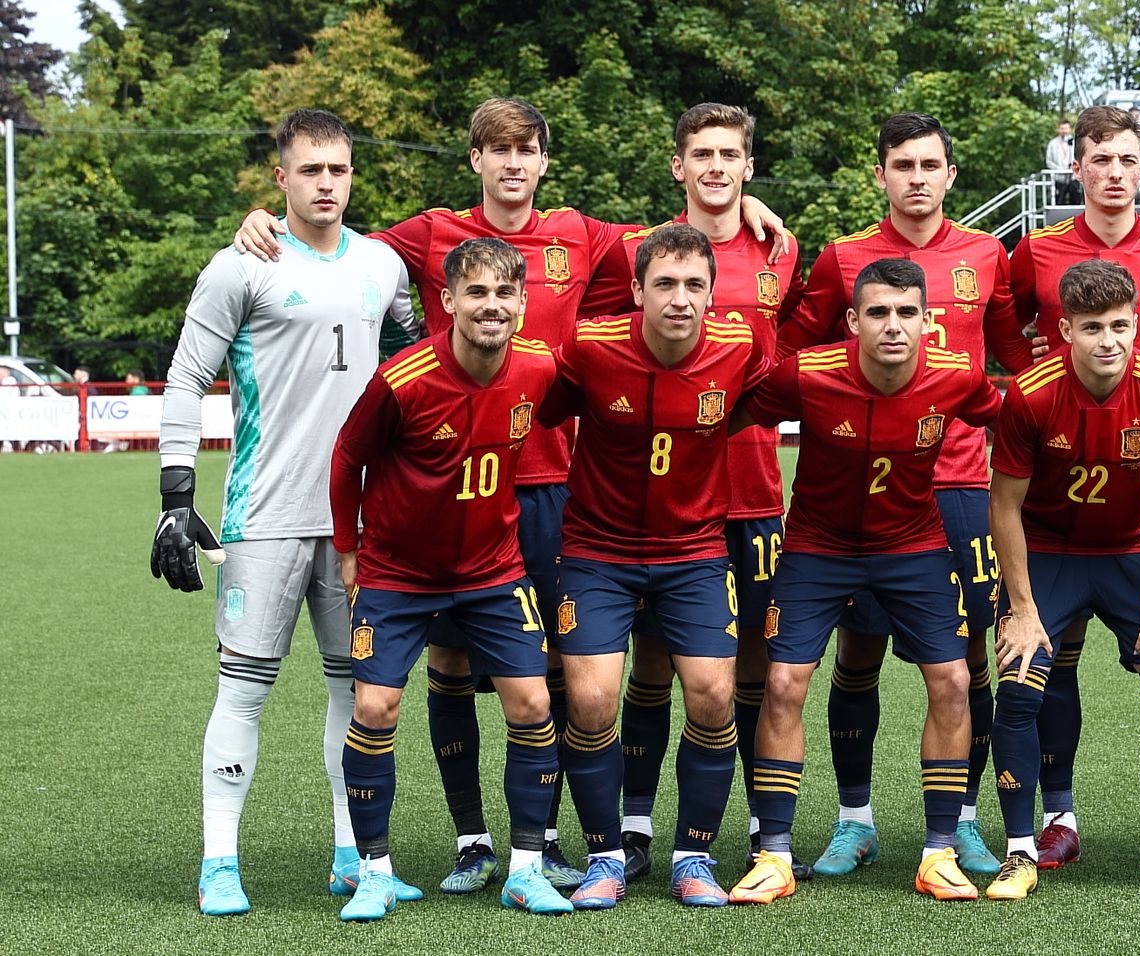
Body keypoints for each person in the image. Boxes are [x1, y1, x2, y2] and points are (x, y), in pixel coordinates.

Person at [232, 98, 789, 895]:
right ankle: (471, 841)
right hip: (458, 487)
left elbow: (673, 253)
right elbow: (338, 248)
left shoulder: (588, 235)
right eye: (499, 151)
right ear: (476, 161)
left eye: (527, 149)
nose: (514, 164)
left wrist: (740, 205)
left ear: (542, 160)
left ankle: (550, 843)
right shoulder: (428, 234)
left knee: (562, 675)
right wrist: (268, 219)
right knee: (452, 664)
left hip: (559, 488)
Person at [151, 108, 420, 917]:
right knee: (244, 690)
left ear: (352, 174)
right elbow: (184, 378)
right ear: (281, 178)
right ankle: (219, 862)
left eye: (338, 169)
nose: (326, 183)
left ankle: (352, 852)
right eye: (310, 170)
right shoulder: (241, 265)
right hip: (264, 514)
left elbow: (425, 355)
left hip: (362, 525)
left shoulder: (383, 268)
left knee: (356, 692)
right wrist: (174, 496)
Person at [775, 112, 1019, 878]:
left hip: (956, 490)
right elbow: (798, 352)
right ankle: (855, 821)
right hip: (850, 492)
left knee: (965, 663)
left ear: (951, 175)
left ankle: (964, 822)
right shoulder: (844, 257)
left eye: (930, 165)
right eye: (902, 164)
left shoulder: (988, 254)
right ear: (880, 173)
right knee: (857, 656)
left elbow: (1015, 362)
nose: (917, 177)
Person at [730, 257, 1002, 905]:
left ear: (929, 322)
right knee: (782, 680)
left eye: (907, 313)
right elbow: (724, 416)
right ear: (852, 321)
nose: (893, 326)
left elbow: (1021, 424)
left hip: (913, 547)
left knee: (955, 679)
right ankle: (773, 854)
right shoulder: (809, 373)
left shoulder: (957, 378)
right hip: (817, 549)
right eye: (878, 312)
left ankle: (938, 852)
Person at [581, 103, 804, 883]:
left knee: (747, 669)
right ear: (678, 166)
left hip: (753, 491)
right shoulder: (640, 251)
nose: (715, 166)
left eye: (730, 155)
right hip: (659, 504)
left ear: (748, 166)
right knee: (646, 664)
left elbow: (784, 370)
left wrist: (750, 214)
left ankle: (745, 830)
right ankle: (635, 828)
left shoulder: (782, 249)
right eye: (701, 154)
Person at [995, 103, 1140, 872]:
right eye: (1101, 160)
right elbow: (1006, 325)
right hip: (1059, 477)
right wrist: (1040, 380)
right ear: (1078, 166)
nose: (1115, 174)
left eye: (1128, 160)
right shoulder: (1038, 250)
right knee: (1047, 660)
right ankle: (1056, 818)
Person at [328, 237, 568, 922]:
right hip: (399, 577)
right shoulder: (403, 379)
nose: (490, 307)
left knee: (530, 702)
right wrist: (349, 550)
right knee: (375, 710)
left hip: (495, 570)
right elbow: (347, 460)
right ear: (448, 302)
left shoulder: (539, 368)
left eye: (502, 294)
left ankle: (525, 867)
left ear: (522, 303)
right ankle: (373, 872)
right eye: (476, 293)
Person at [540, 223, 768, 910]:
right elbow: (528, 404)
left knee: (715, 697)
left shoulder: (740, 348)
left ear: (712, 293)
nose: (680, 298)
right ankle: (605, 855)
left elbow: (792, 401)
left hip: (695, 552)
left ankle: (693, 854)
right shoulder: (588, 347)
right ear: (636, 290)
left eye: (694, 284)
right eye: (664, 284)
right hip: (595, 553)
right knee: (588, 701)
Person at [1045, 117, 1077, 205]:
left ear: (1070, 129)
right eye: (1062, 128)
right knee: (1059, 202)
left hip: (1073, 177)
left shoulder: (1076, 143)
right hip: (1059, 178)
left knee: (1076, 202)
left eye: (1066, 128)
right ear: (1058, 129)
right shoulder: (1052, 144)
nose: (1064, 131)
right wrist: (1059, 169)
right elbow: (1049, 161)